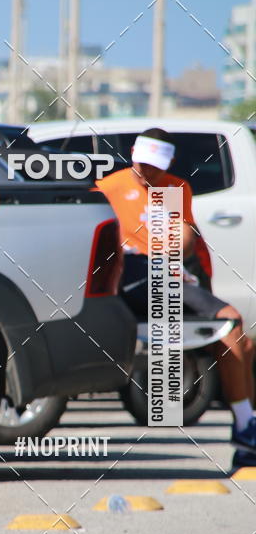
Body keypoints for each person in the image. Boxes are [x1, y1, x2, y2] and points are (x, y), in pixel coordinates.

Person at [96, 127, 256, 467]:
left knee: (238, 335)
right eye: (141, 163)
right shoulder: (109, 187)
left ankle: (246, 428)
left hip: (164, 274)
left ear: (166, 163)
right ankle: (246, 427)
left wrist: (168, 256)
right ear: (134, 155)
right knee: (231, 326)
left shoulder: (174, 188)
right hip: (130, 275)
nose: (146, 172)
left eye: (154, 166)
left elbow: (183, 239)